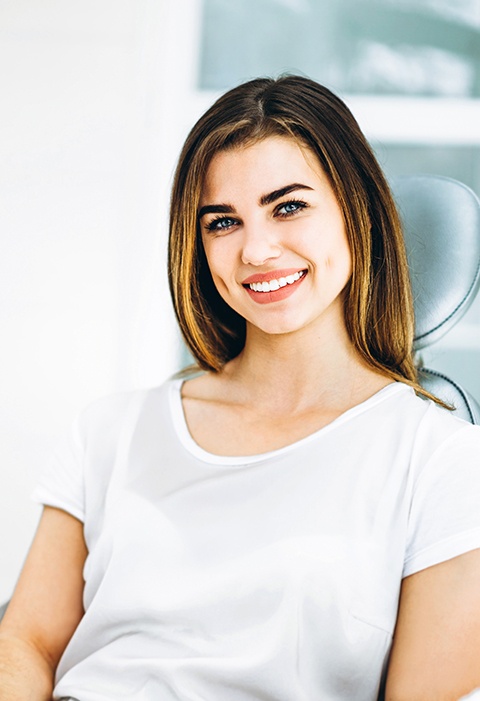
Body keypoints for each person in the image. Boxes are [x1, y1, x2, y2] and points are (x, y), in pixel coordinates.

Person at [1, 75, 480, 701]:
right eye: (222, 222)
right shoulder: (110, 432)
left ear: (355, 212)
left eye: (288, 207)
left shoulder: (440, 462)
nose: (256, 249)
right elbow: (26, 641)